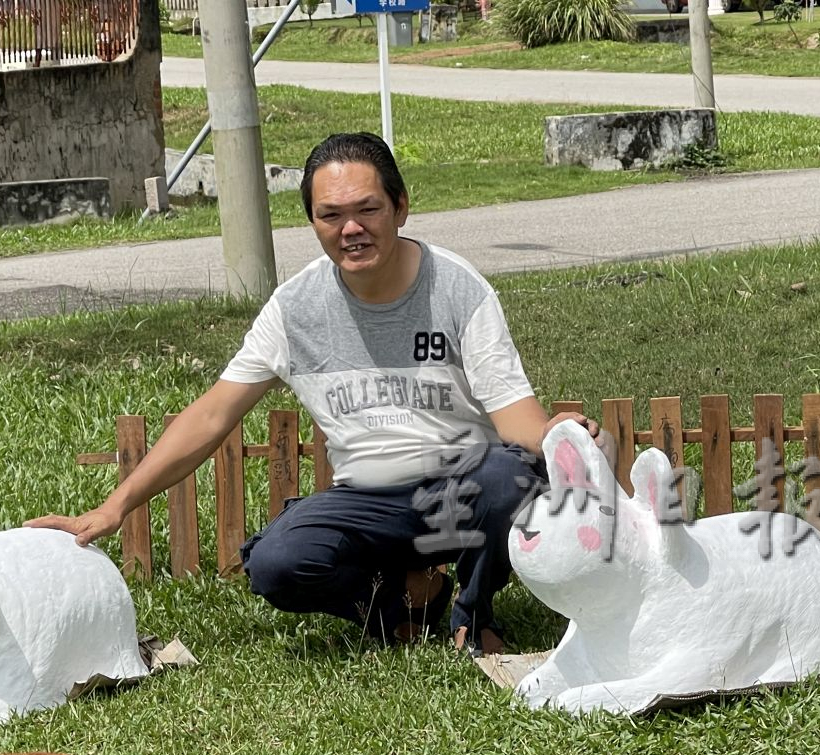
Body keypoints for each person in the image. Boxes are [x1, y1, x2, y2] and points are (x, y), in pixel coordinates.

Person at [31, 132, 594, 655]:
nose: (351, 228)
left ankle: (474, 614)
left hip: (462, 484)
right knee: (276, 562)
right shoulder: (295, 309)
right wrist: (113, 508)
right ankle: (401, 604)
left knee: (509, 476)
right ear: (314, 223)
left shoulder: (457, 287)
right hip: (367, 503)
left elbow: (515, 419)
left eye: (368, 209)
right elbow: (211, 415)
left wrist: (555, 436)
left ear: (400, 207)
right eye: (331, 215)